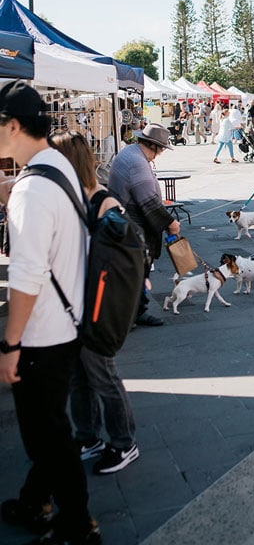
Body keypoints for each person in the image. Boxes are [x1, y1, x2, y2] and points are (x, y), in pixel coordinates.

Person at [0, 81, 101, 544]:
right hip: (70, 321)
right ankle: (34, 500)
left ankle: (78, 525)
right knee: (51, 427)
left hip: (42, 335)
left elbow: (26, 276)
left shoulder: (32, 188)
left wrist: (11, 343)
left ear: (13, 126)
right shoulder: (58, 166)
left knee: (48, 436)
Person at [48, 131, 140, 476]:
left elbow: (123, 259)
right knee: (79, 376)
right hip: (73, 304)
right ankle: (88, 437)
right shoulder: (68, 197)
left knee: (102, 374)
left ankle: (124, 442)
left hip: (97, 306)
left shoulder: (103, 202)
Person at [108, 123, 180, 327]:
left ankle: (136, 311)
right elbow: (148, 201)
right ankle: (130, 316)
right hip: (133, 224)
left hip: (124, 220)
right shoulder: (137, 162)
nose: (160, 154)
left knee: (136, 272)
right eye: (162, 149)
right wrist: (170, 223)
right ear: (155, 146)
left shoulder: (131, 152)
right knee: (136, 272)